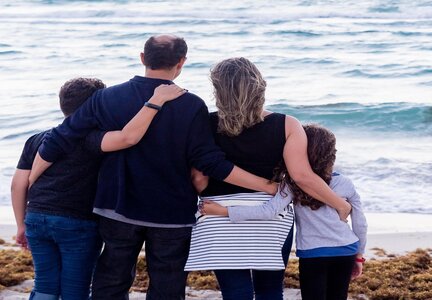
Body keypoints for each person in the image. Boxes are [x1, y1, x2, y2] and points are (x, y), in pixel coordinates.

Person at [29, 35, 278, 300]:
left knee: (111, 282)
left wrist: (32, 181)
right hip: (171, 213)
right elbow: (209, 162)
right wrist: (264, 185)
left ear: (142, 58)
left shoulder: (107, 97)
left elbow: (60, 138)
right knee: (167, 287)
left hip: (117, 207)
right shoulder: (191, 105)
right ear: (181, 62)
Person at [185, 57, 352, 300]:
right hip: (271, 217)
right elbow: (302, 177)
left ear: (218, 89)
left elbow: (198, 179)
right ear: (259, 86)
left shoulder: (205, 124)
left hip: (219, 216)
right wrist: (340, 204)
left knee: (235, 292)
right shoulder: (287, 124)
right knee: (270, 290)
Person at [11, 78, 184, 300]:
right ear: (98, 106)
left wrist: (20, 225)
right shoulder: (92, 139)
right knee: (76, 288)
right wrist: (155, 101)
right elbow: (128, 137)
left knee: (45, 285)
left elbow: (18, 185)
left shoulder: (37, 139)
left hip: (36, 218)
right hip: (77, 222)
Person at [202, 124, 368, 300]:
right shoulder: (345, 183)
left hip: (313, 254)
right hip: (346, 250)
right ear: (331, 154)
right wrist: (359, 256)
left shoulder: (292, 184)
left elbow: (268, 211)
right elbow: (360, 223)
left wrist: (224, 211)